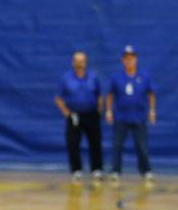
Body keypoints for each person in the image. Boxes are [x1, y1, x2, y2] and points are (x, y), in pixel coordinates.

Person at [106, 45, 156, 186]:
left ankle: (146, 171)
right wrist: (109, 111)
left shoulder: (144, 75)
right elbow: (110, 94)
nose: (129, 61)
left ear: (136, 59)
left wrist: (152, 111)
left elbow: (151, 94)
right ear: (123, 60)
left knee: (142, 146)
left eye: (132, 58)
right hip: (121, 117)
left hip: (139, 117)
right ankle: (115, 171)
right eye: (126, 58)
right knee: (117, 145)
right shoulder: (117, 77)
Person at [54, 51, 103, 184]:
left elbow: (99, 95)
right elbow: (58, 98)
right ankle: (76, 170)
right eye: (77, 61)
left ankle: (97, 169)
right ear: (73, 62)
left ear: (85, 62)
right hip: (74, 115)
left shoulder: (93, 77)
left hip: (92, 114)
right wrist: (66, 113)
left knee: (95, 143)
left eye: (82, 61)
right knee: (73, 143)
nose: (79, 63)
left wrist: (99, 110)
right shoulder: (66, 78)